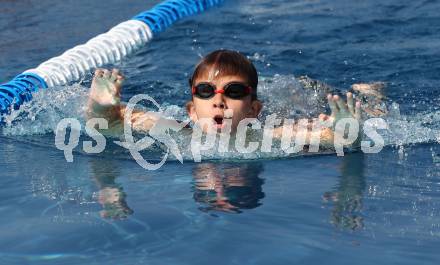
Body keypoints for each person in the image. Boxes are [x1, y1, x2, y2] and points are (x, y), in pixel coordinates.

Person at [87, 49, 383, 152]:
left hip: (294, 105)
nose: (218, 101)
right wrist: (100, 105)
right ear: (191, 110)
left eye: (234, 92)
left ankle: (373, 96)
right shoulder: (176, 132)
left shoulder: (270, 136)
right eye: (205, 91)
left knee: (364, 109)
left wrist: (349, 132)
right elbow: (110, 122)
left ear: (254, 109)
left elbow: (335, 138)